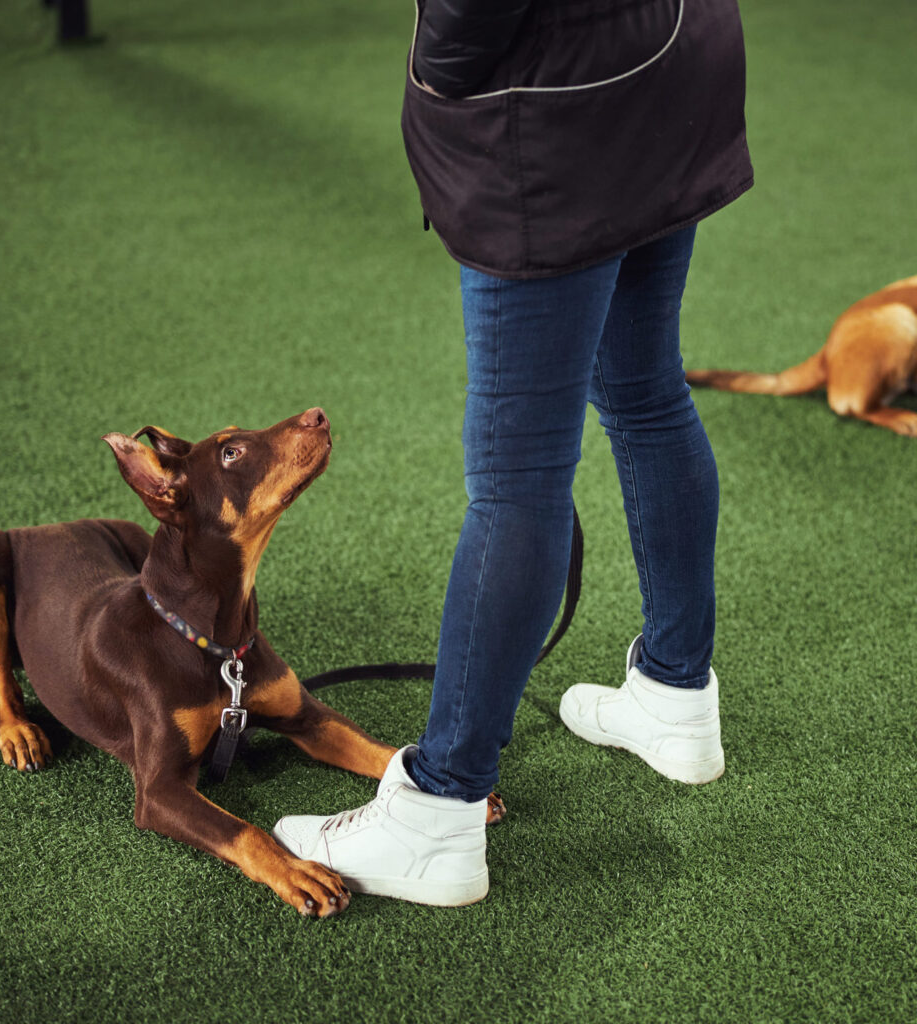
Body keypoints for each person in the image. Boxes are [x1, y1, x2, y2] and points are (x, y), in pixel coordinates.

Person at [273, 0, 753, 907]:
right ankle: (675, 696)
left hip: (557, 105)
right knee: (647, 392)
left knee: (516, 479)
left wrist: (445, 80)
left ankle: (439, 811)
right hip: (671, 54)